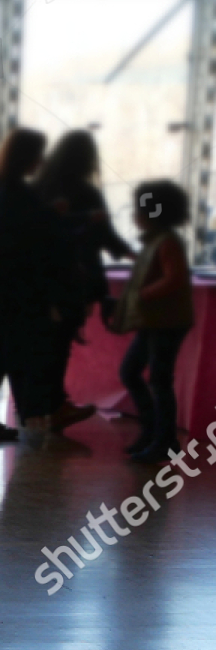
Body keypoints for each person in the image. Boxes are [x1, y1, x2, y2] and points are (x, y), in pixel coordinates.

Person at [0, 128, 78, 441]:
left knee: (0, 354)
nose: (41, 161)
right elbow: (25, 239)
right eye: (38, 154)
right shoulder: (15, 193)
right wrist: (53, 217)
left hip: (1, 289)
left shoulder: (4, 191)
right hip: (11, 290)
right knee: (0, 354)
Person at [37, 129, 133, 426]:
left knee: (46, 342)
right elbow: (104, 236)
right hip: (75, 280)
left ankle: (40, 403)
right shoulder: (88, 193)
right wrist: (134, 255)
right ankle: (56, 405)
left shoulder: (41, 188)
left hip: (42, 278)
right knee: (62, 342)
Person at [115, 180, 193, 462]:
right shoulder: (156, 241)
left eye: (139, 209)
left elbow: (174, 278)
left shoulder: (167, 242)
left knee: (159, 380)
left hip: (167, 322)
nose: (134, 215)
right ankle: (152, 432)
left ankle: (164, 440)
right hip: (155, 321)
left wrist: (142, 295)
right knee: (131, 372)